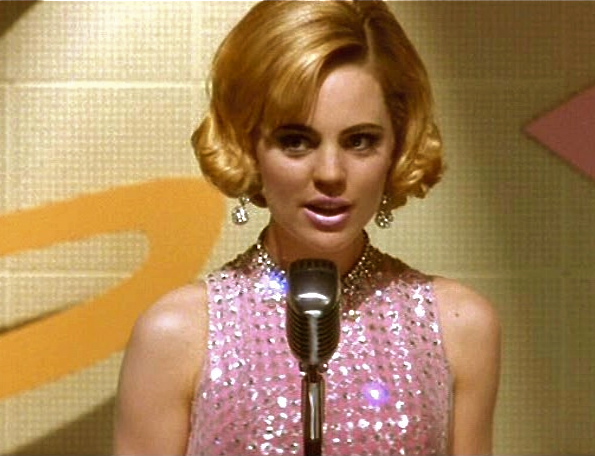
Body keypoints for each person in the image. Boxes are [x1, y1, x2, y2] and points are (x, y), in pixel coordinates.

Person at [113, 1, 501, 455]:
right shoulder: (177, 334)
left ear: (398, 146)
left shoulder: (459, 326)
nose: (330, 173)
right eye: (296, 141)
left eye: (360, 141)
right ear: (246, 145)